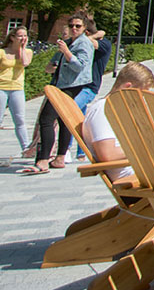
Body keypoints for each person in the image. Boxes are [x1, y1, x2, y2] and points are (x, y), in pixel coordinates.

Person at [23, 14, 93, 175]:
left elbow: (79, 66)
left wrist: (67, 52)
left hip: (71, 86)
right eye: (71, 25)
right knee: (63, 120)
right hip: (62, 84)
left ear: (84, 28)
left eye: (78, 26)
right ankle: (60, 157)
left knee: (46, 119)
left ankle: (43, 160)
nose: (73, 29)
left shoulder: (84, 44)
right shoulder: (69, 42)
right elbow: (54, 65)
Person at [0, 27, 34, 162]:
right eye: (20, 36)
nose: (23, 38)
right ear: (12, 37)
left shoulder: (27, 52)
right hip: (0, 88)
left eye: (25, 36)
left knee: (20, 119)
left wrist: (22, 48)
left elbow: (25, 63)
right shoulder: (0, 53)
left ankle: (25, 148)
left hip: (17, 89)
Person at [71, 20, 110, 159]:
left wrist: (93, 36)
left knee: (70, 110)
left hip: (90, 87)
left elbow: (90, 43)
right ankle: (81, 152)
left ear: (86, 32)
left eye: (77, 27)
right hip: (76, 85)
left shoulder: (104, 43)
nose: (73, 30)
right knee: (79, 121)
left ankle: (66, 151)